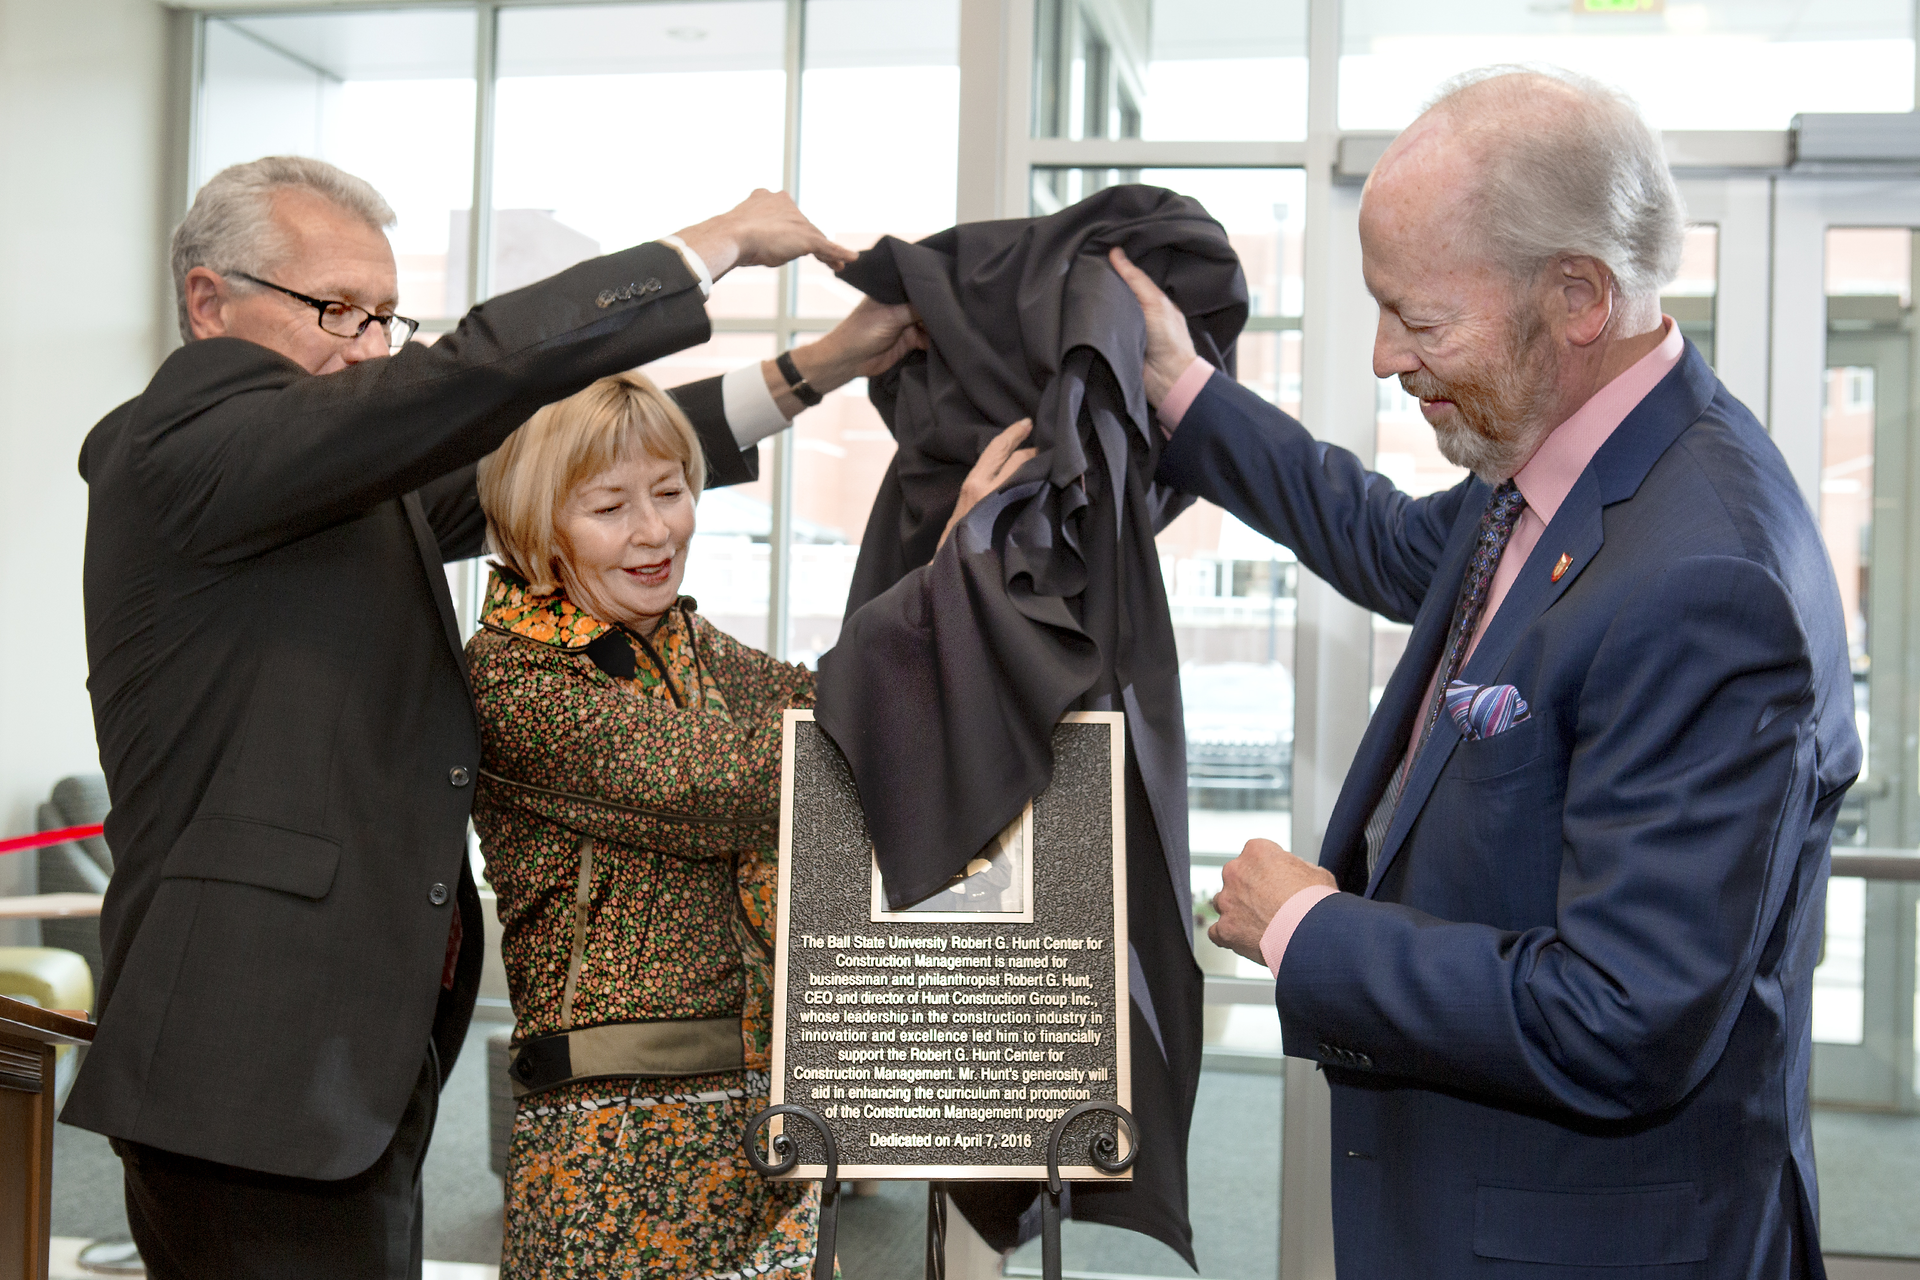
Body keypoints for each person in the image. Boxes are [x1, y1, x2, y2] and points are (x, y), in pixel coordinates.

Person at [68, 153, 923, 1278]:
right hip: (252, 1060)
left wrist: (821, 366)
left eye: (384, 315)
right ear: (208, 299)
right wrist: (703, 247)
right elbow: (464, 380)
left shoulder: (334, 484)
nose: (370, 346)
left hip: (347, 1060)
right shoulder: (177, 445)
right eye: (336, 310)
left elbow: (564, 471)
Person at [1113, 67, 1859, 1275]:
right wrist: (1176, 385)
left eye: (1420, 317)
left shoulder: (1705, 579)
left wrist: (1310, 927)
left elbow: (1622, 1015)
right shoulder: (1549, 472)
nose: (1382, 355)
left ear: (1577, 296)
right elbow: (1382, 536)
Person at [467, 373, 1030, 1277]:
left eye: (671, 490)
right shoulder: (515, 678)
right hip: (611, 1151)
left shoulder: (686, 641)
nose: (656, 531)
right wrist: (944, 586)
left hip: (765, 1132)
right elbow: (757, 777)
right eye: (610, 506)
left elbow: (831, 700)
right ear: (539, 525)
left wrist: (952, 564)